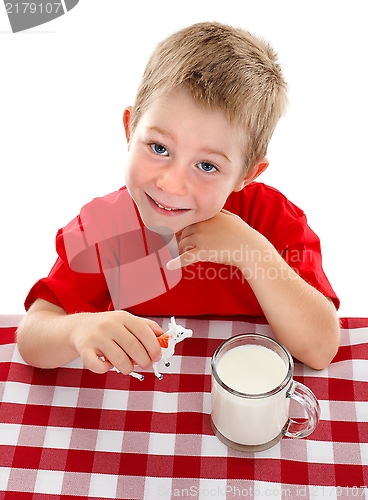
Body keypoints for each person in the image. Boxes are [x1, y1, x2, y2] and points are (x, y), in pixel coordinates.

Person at [17, 21, 340, 374]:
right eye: (159, 147)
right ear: (130, 129)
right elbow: (32, 337)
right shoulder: (105, 227)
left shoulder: (273, 219)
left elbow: (321, 349)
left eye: (206, 165)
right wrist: (76, 331)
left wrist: (254, 254)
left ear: (246, 175)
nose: (171, 184)